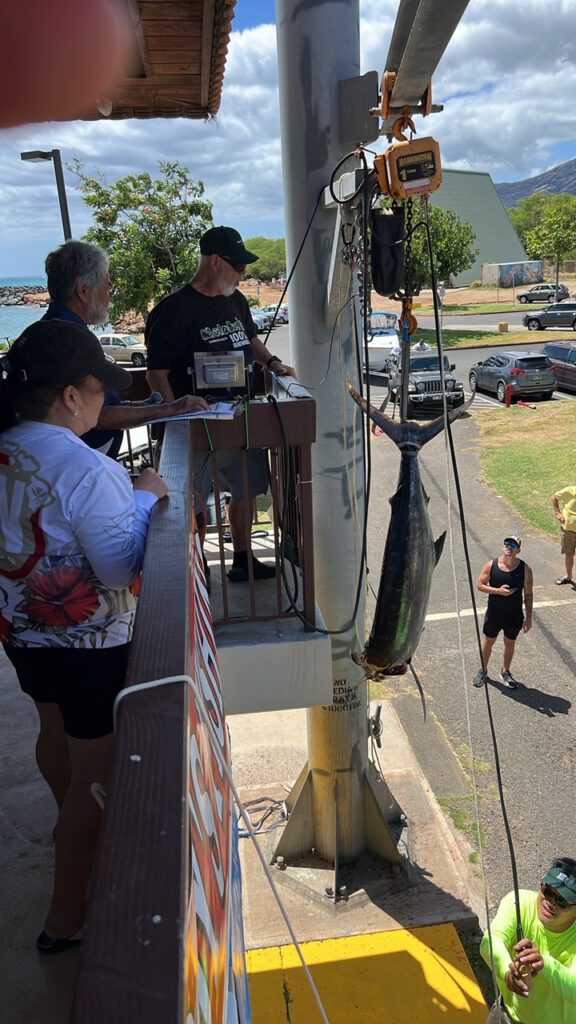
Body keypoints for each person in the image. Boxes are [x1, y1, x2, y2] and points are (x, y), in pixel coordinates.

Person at [0, 319, 168, 953]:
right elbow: (121, 567)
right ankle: (66, 919)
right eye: (102, 390)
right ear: (71, 395)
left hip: (21, 636)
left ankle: (69, 831)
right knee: (96, 777)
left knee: (54, 735)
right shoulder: (83, 466)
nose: (107, 404)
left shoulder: (8, 445)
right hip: (90, 645)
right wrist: (147, 495)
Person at [146, 225, 296, 583]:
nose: (243, 274)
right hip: (193, 428)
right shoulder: (173, 310)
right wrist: (175, 415)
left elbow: (251, 340)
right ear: (215, 262)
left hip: (238, 420)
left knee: (245, 490)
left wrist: (273, 363)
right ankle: (196, 574)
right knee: (189, 503)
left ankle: (243, 560)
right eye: (238, 266)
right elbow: (156, 375)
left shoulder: (236, 301)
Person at [43, 240, 209, 457]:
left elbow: (101, 405)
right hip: (76, 465)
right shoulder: (72, 341)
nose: (110, 295)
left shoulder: (47, 332)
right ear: (83, 291)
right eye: (107, 286)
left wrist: (143, 405)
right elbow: (100, 417)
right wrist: (171, 408)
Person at [480, 857, 576, 1024]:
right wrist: (507, 971)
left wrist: (545, 965)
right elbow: (490, 940)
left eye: (561, 901)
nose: (549, 903)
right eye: (547, 891)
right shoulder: (519, 901)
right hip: (506, 1015)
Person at [472, 536, 533, 689]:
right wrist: (497, 591)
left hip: (514, 615)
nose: (509, 547)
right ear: (503, 546)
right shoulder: (491, 565)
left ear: (518, 550)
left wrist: (529, 618)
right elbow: (480, 585)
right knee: (488, 642)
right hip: (494, 613)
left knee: (510, 643)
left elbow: (529, 595)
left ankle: (505, 672)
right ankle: (483, 670)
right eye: (507, 543)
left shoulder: (525, 569)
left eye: (513, 545)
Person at [551, 486, 576, 585]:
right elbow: (554, 497)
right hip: (568, 531)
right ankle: (568, 577)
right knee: (569, 554)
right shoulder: (570, 491)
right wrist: (558, 513)